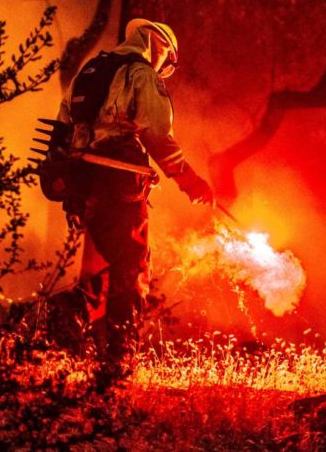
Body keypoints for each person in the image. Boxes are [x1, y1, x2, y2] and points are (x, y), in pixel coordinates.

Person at [51, 18, 213, 373]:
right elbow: (157, 135)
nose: (163, 67)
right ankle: (118, 359)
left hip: (84, 181)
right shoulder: (140, 74)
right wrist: (190, 181)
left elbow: (63, 126)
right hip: (120, 182)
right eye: (166, 59)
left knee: (114, 264)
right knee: (134, 269)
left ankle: (66, 316)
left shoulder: (91, 70)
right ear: (158, 46)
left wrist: (68, 185)